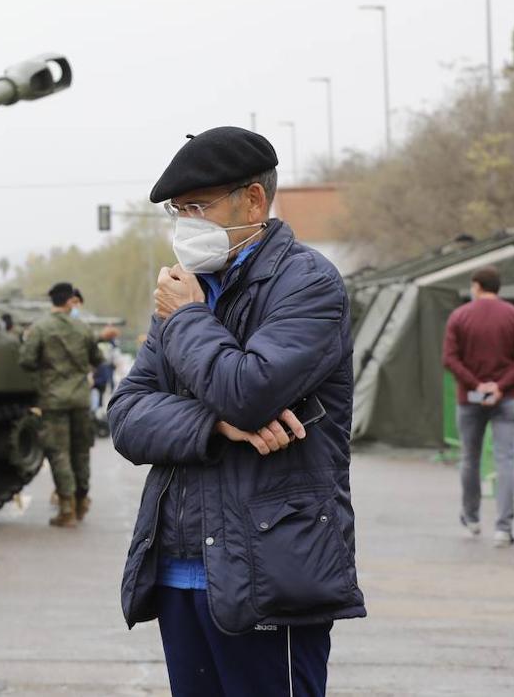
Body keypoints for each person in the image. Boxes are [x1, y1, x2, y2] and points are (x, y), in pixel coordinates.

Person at [108, 126, 364, 697]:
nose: (186, 225)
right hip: (179, 564)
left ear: (253, 199)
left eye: (197, 207)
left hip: (270, 566)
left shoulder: (307, 284)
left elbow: (249, 391)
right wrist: (215, 423)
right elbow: (126, 415)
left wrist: (188, 323)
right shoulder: (187, 290)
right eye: (178, 211)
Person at [442, 266, 514, 546]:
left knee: (470, 458)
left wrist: (477, 385)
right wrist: (499, 386)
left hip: (470, 398)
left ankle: (471, 517)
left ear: (477, 285)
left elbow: (450, 358)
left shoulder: (459, 316)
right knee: (505, 460)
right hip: (507, 397)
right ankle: (503, 528)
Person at [19, 281, 103, 527]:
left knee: (59, 453)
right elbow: (97, 358)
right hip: (80, 398)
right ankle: (82, 500)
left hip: (53, 399)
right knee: (81, 451)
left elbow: (26, 360)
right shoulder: (83, 328)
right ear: (69, 301)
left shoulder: (40, 329)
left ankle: (66, 508)